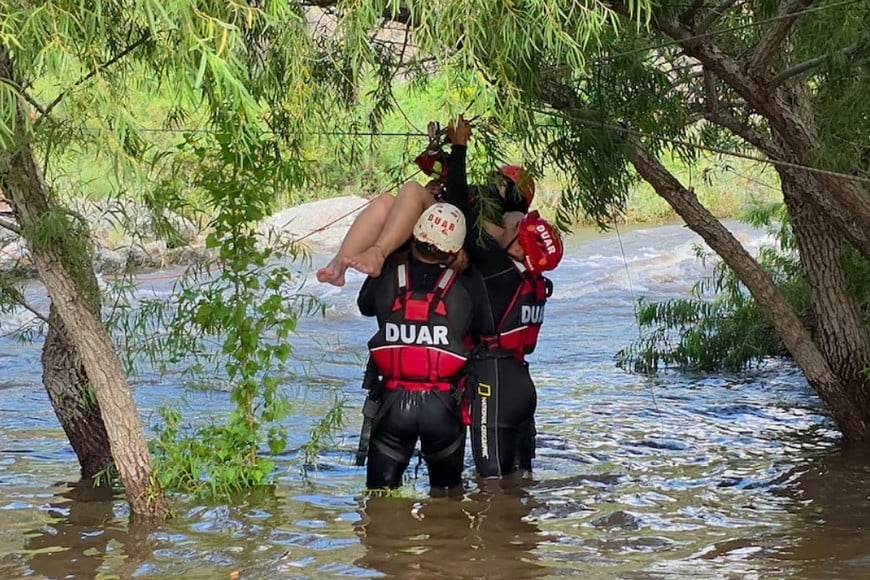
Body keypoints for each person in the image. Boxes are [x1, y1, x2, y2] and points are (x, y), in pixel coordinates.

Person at [441, 117, 564, 479]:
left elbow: (459, 211)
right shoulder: (531, 279)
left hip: (492, 383)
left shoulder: (496, 268)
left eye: (511, 228)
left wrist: (459, 148)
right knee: (521, 483)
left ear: (519, 246)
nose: (502, 227)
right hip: (522, 384)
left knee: (491, 489)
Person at [355, 202, 487, 491]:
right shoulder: (465, 288)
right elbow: (484, 328)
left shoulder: (389, 279)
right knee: (447, 497)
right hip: (443, 405)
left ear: (413, 236)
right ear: (455, 250)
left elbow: (364, 305)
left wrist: (388, 252)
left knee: (379, 497)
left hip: (392, 404)